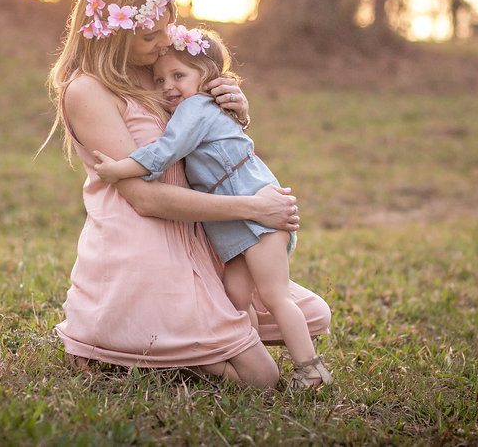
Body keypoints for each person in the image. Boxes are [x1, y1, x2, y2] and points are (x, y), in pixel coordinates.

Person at [45, 0, 331, 389]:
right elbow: (145, 198)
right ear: (114, 35)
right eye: (149, 35)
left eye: (167, 26)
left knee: (310, 314)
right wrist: (253, 208)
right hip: (143, 246)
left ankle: (171, 339)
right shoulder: (87, 90)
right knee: (261, 378)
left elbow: (202, 139)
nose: (164, 41)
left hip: (195, 233)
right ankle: (128, 339)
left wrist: (233, 111)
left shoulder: (158, 72)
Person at [91, 25, 332, 388]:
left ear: (208, 77)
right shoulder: (190, 105)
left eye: (178, 75)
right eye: (159, 79)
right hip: (233, 224)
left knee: (274, 295)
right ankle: (251, 354)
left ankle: (311, 369)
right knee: (236, 295)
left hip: (259, 213)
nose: (167, 86)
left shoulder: (196, 106)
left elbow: (165, 151)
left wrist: (119, 168)